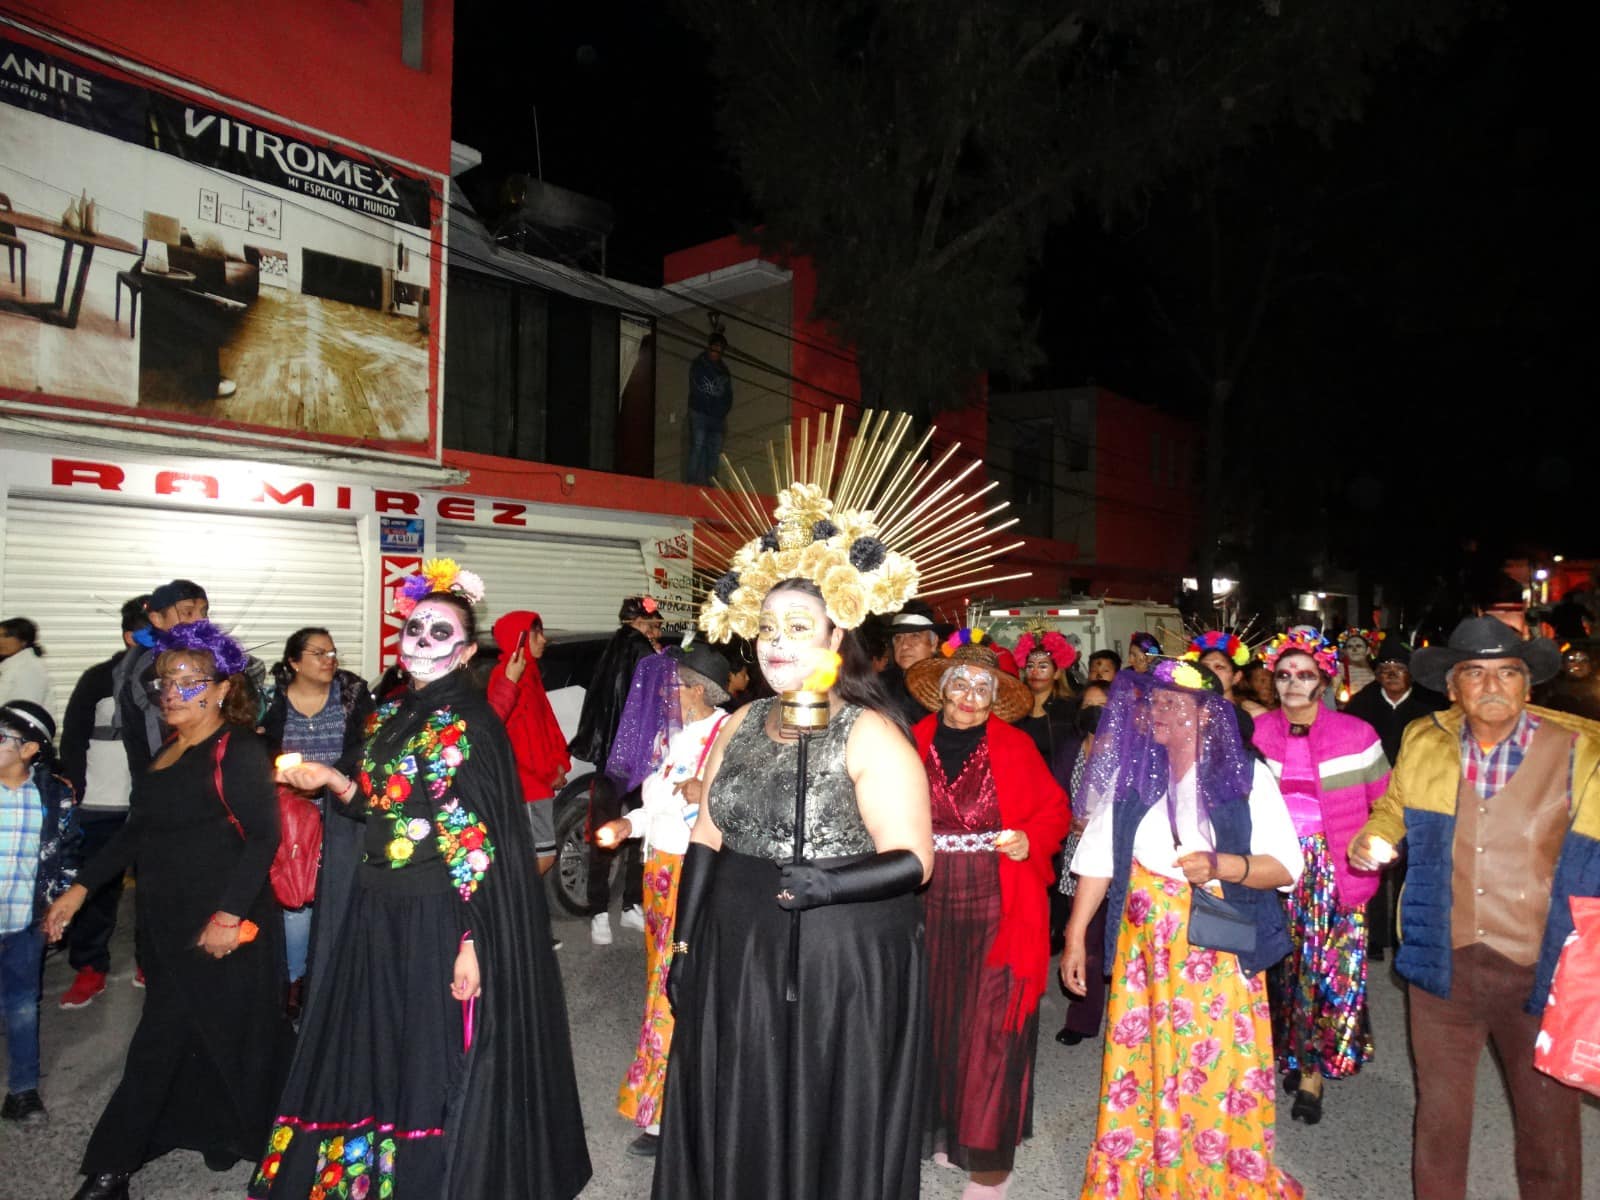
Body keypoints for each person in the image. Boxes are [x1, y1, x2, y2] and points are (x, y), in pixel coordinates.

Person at [249, 561, 592, 1200]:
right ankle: (365, 1175)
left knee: (428, 1060)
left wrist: (474, 940)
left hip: (439, 916)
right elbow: (384, 801)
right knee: (376, 1048)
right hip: (377, 909)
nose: (421, 641)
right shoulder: (391, 714)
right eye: (413, 629)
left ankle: (431, 1180)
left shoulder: (468, 722)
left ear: (465, 651)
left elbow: (476, 843)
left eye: (439, 633)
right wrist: (333, 782)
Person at [655, 578, 933, 1200]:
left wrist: (830, 883)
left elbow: (916, 860)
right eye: (768, 626)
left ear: (838, 637)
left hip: (833, 958)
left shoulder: (870, 734)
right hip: (735, 949)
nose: (777, 642)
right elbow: (706, 837)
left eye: (799, 626)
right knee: (739, 1102)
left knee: (815, 1109)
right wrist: (683, 946)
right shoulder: (742, 722)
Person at [1350, 616, 1599, 1200]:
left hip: (1542, 968)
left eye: (1508, 672)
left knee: (1549, 1131)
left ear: (1528, 683)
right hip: (1445, 960)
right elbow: (1393, 808)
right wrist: (1373, 836)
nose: (1493, 686)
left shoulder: (1582, 748)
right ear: (1454, 686)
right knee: (1440, 1119)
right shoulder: (1423, 738)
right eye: (1476, 673)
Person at [44, 621, 290, 1200]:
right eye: (165, 682)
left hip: (230, 926)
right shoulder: (165, 752)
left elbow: (263, 837)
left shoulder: (240, 749)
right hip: (166, 922)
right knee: (188, 1035)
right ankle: (222, 1133)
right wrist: (81, 888)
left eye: (188, 681)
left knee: (238, 1038)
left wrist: (229, 915)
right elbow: (135, 834)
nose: (172, 693)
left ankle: (112, 1169)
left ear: (222, 688)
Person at [1063, 659, 1304, 1199]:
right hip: (1143, 945)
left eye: (1175, 702)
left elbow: (1288, 866)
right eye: (1153, 701)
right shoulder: (1135, 773)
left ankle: (1213, 1177)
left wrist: (1223, 865)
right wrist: (1076, 936)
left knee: (1210, 1064)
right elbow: (1098, 858)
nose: (1157, 711)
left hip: (1214, 944)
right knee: (1144, 1063)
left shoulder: (1243, 774)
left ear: (1208, 715)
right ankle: (1148, 1175)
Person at [903, 633, 1070, 1198]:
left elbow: (1055, 813)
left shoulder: (1016, 746)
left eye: (983, 687)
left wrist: (1029, 838)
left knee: (994, 1027)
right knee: (936, 1020)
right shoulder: (912, 741)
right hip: (924, 898)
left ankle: (990, 1165)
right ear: (942, 690)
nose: (971, 696)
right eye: (961, 685)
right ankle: (953, 1134)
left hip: (998, 900)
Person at [596, 641, 731, 1158]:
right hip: (659, 874)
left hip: (690, 875)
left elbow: (739, 804)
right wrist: (626, 824)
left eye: (673, 685)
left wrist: (710, 793)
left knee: (670, 988)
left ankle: (663, 1112)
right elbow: (659, 800)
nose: (665, 694)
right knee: (666, 982)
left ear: (696, 689)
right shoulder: (682, 738)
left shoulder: (725, 734)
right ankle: (679, 1105)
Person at [1251, 628, 1389, 1123]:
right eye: (1284, 674)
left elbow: (1386, 806)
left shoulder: (1358, 735)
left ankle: (1312, 1069)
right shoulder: (1258, 731)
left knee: (1326, 970)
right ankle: (1285, 1053)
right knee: (1279, 970)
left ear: (1323, 681)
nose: (1292, 683)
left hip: (1335, 870)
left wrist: (1374, 845)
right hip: (1274, 866)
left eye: (1304, 675)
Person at [258, 627, 374, 1018]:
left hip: (342, 810)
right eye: (318, 653)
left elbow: (365, 747)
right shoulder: (272, 702)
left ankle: (338, 978)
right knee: (297, 899)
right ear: (294, 662)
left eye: (332, 652)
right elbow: (260, 751)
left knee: (342, 894)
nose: (330, 659)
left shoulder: (351, 696)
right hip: (291, 816)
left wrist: (330, 777)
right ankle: (295, 982)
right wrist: (287, 780)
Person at [56, 598, 146, 1010]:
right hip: (100, 804)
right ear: (131, 634)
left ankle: (151, 961)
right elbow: (72, 738)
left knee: (157, 889)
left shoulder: (169, 676)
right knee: (95, 890)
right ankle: (90, 968)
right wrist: (76, 792)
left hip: (151, 805)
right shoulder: (96, 679)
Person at [1341, 638, 1448, 959]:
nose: (1390, 674)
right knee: (1371, 865)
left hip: (1417, 794)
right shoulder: (1362, 703)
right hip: (1371, 795)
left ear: (1411, 673)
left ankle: (1404, 938)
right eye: (1384, 668)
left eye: (1398, 668)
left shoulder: (1432, 705)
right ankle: (1374, 937)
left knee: (1410, 871)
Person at [0, 700, 79, 1127]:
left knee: (23, 1006)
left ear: (30, 749)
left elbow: (67, 856)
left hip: (23, 923)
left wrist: (57, 909)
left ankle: (22, 1091)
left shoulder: (54, 794)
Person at [569, 595, 662, 944]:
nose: (657, 630)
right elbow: (658, 700)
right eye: (654, 624)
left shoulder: (612, 647)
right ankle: (627, 905)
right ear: (640, 622)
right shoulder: (641, 651)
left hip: (610, 757)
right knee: (640, 828)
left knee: (604, 829)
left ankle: (601, 911)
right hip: (637, 758)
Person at [486, 611, 570, 876]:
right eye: (536, 633)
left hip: (536, 783)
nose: (544, 640)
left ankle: (518, 911)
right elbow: (523, 742)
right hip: (527, 785)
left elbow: (547, 727)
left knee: (531, 856)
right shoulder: (509, 678)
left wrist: (559, 763)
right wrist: (548, 772)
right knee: (541, 857)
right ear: (520, 638)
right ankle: (517, 911)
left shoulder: (529, 674)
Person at [1050, 680, 1111, 1045]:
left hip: (1114, 862)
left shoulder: (1126, 752)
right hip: (1076, 857)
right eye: (1088, 703)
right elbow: (1054, 795)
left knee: (1111, 943)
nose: (1094, 710)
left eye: (1101, 704)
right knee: (1084, 939)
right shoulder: (1071, 748)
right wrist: (1066, 821)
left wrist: (1101, 824)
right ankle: (1082, 1018)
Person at [117, 580, 209, 778]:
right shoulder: (149, 670)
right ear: (157, 619)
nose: (199, 621)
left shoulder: (209, 660)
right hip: (168, 778)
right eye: (188, 612)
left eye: (203, 612)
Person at [1012, 629, 1081, 761]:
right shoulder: (1014, 708)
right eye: (1030, 666)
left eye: (1043, 667)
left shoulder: (1071, 710)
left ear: (1057, 673)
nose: (1035, 672)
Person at [1185, 629, 1257, 744]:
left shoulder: (1245, 717)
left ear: (1236, 677)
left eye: (1219, 667)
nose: (1210, 672)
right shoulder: (1187, 711)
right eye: (1205, 666)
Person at [878, 599, 942, 728]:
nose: (905, 645)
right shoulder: (878, 685)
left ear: (933, 643)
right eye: (898, 638)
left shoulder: (948, 684)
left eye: (915, 636)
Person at [686, 331, 734, 486]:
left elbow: (728, 394)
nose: (717, 353)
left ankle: (711, 480)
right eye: (715, 348)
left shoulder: (723, 370)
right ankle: (692, 480)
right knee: (698, 444)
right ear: (709, 347)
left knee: (715, 450)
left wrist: (722, 411)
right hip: (700, 412)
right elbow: (696, 389)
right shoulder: (699, 364)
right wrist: (709, 407)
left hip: (717, 417)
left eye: (720, 350)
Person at [0, 617, 50, 706]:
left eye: (6, 636)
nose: (1, 641)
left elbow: (25, 709)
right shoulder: (9, 665)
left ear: (23, 641)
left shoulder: (29, 668)